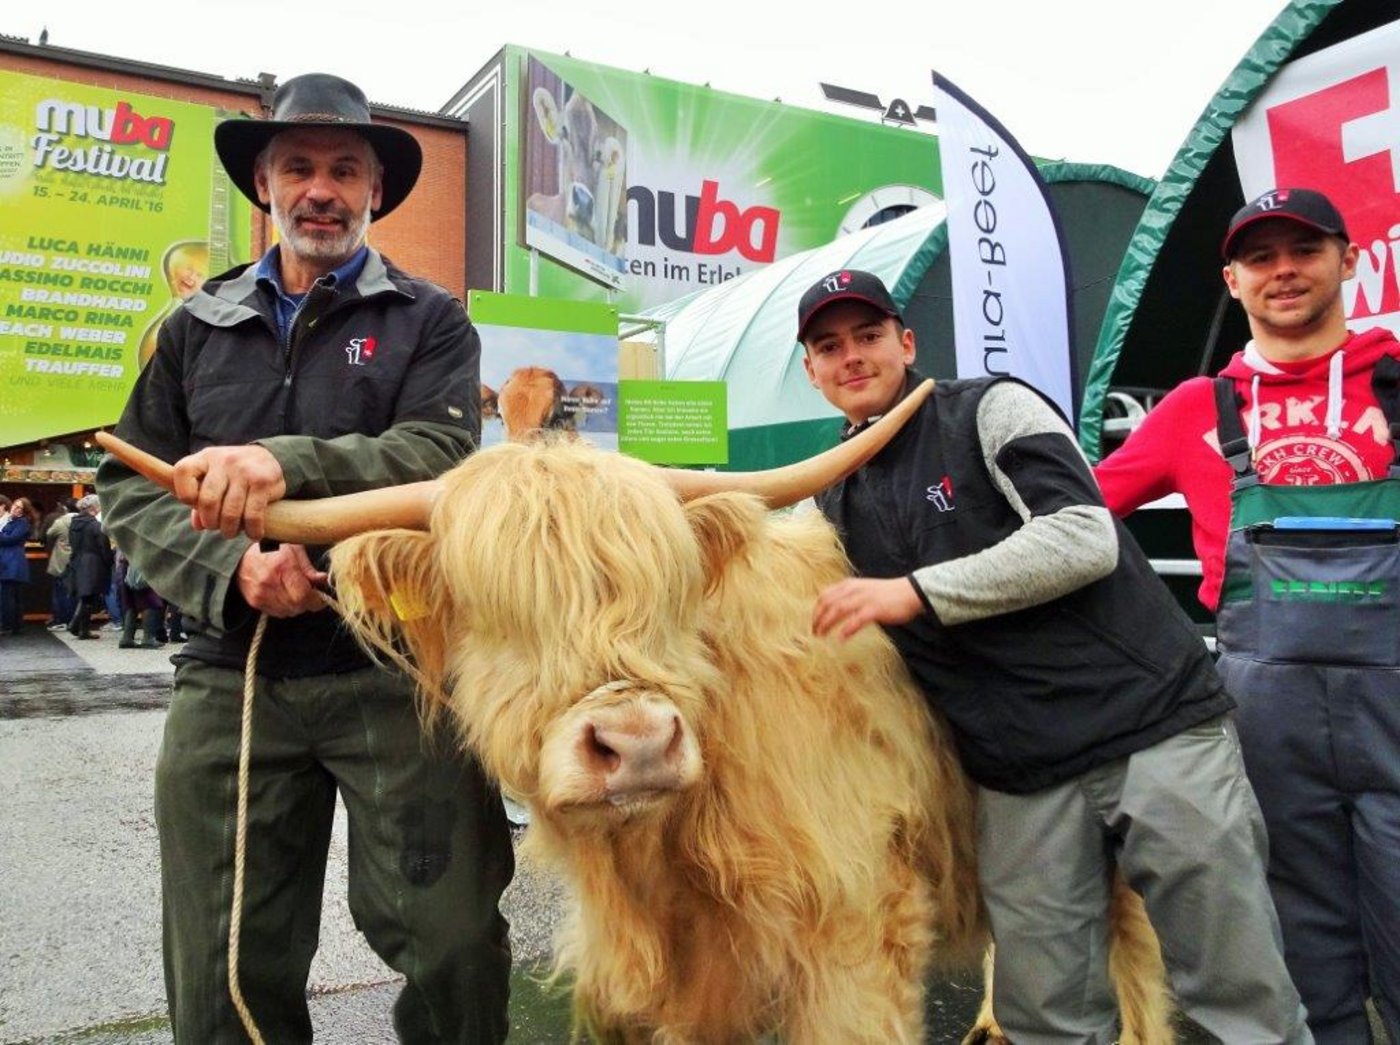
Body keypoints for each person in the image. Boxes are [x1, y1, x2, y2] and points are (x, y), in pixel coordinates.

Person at [95, 73, 513, 1044]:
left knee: (454, 945)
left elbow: (442, 459)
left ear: (374, 191)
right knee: (223, 975)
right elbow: (127, 484)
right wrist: (231, 574)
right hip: (232, 673)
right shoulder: (192, 326)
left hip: (401, 663)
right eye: (297, 168)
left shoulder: (430, 319)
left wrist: (278, 467)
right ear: (265, 189)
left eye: (342, 170)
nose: (319, 189)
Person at [798, 268, 1311, 1043]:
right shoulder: (825, 505)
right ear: (811, 371)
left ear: (906, 342)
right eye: (829, 347)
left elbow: (1083, 535)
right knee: (1048, 1019)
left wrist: (915, 591)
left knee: (1239, 994)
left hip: (1153, 731)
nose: (852, 357)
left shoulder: (989, 408)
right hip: (1020, 777)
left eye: (868, 336)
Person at [1095, 187, 1400, 1044]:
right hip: (1268, 719)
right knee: (1303, 949)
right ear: (1232, 280)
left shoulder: (1396, 380)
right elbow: (1074, 514)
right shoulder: (1197, 408)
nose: (1284, 271)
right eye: (1261, 257)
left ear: (1347, 258)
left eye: (1303, 249)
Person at [66, 493, 112, 640]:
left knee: (85, 596)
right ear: (93, 507)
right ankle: (77, 626)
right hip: (94, 564)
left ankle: (81, 628)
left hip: (78, 561)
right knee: (89, 597)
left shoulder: (74, 524)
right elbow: (104, 548)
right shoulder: (95, 526)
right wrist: (109, 561)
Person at [0, 496, 37, 635]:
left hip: (12, 562)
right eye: (15, 505)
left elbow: (10, 539)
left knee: (8, 596)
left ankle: (8, 625)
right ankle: (15, 625)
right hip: (12, 562)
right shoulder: (15, 522)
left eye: (19, 507)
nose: (15, 508)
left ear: (24, 511)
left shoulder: (22, 523)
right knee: (13, 596)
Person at [43, 497, 78, 629]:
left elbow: (49, 534)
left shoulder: (60, 521)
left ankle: (60, 619)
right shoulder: (84, 520)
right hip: (78, 560)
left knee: (60, 592)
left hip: (61, 560)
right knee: (74, 592)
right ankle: (73, 619)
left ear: (65, 508)